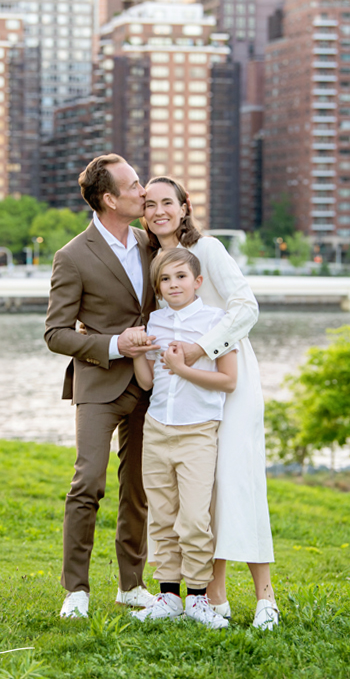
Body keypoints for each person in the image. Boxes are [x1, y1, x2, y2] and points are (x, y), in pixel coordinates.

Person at [141, 177, 279, 630]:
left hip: (227, 376)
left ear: (185, 207)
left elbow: (246, 307)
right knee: (205, 493)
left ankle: (265, 598)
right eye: (149, 204)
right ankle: (212, 595)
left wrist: (201, 348)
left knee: (237, 481)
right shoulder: (154, 261)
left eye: (168, 202)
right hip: (182, 395)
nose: (158, 211)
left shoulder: (209, 249)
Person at [44, 154, 159, 619]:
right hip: (98, 384)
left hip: (150, 384)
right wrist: (114, 344)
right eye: (133, 186)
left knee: (138, 487)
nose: (143, 191)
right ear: (110, 199)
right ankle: (76, 590)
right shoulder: (71, 256)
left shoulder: (151, 243)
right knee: (87, 482)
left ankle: (132, 585)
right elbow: (55, 334)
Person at [131, 248, 238, 628]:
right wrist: (138, 354)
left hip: (198, 431)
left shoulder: (217, 322)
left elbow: (229, 380)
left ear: (198, 282)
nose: (173, 284)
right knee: (161, 516)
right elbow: (147, 382)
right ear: (158, 287)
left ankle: (197, 597)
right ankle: (169, 597)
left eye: (180, 277)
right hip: (157, 427)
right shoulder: (155, 321)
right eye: (165, 279)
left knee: (194, 517)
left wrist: (182, 367)